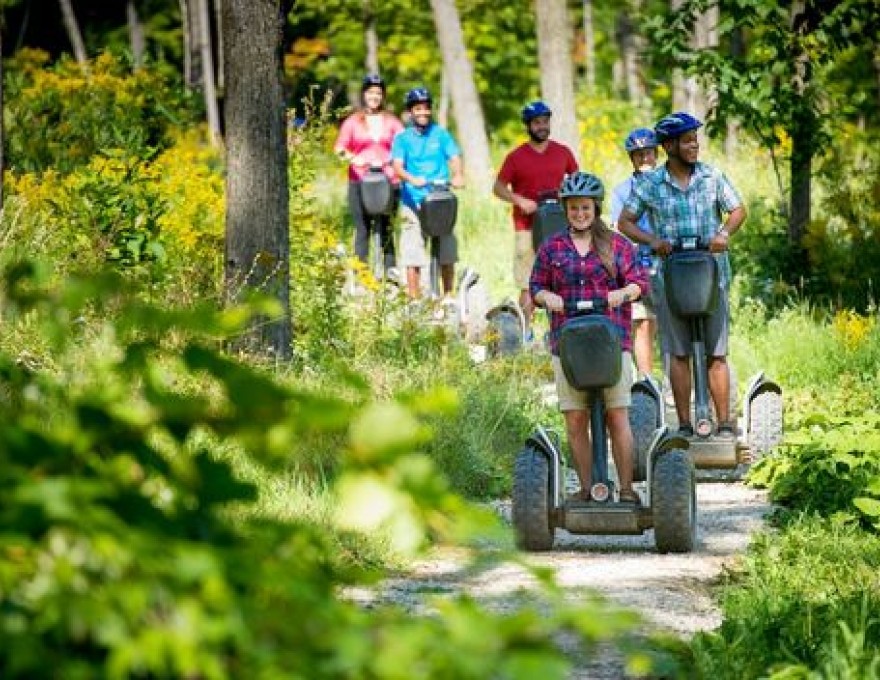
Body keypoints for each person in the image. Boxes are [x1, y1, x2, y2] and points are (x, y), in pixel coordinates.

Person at [617, 112, 747, 439]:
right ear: (670, 145)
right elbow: (625, 222)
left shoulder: (712, 177)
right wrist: (652, 241)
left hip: (712, 275)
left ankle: (725, 423)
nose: (694, 146)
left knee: (716, 351)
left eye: (695, 139)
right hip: (670, 277)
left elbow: (738, 209)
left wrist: (723, 235)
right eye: (687, 140)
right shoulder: (650, 184)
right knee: (678, 352)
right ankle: (686, 424)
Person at [530, 172, 649, 504]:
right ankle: (586, 489)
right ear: (565, 210)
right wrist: (545, 298)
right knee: (575, 416)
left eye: (585, 208)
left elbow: (641, 282)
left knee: (617, 415)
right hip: (567, 345)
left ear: (595, 208)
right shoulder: (552, 247)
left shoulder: (616, 244)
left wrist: (624, 292)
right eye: (573, 209)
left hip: (612, 342)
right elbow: (535, 286)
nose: (580, 214)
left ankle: (626, 491)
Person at [493, 101, 579, 332]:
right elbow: (498, 187)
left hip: (559, 226)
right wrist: (520, 201)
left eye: (545, 122)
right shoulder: (516, 157)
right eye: (537, 123)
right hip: (526, 228)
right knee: (528, 282)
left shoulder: (563, 152)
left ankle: (564, 330)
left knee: (563, 279)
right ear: (528, 126)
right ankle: (525, 333)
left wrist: (567, 193)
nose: (542, 127)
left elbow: (577, 180)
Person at [391, 87, 464, 300]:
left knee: (447, 248)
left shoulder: (440, 133)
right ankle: (414, 299)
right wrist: (413, 179)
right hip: (413, 200)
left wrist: (458, 174)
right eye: (418, 109)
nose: (423, 113)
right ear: (411, 111)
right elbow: (397, 167)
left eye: (426, 108)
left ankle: (448, 296)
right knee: (413, 249)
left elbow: (454, 156)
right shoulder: (403, 138)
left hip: (439, 198)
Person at [333, 74, 404, 277]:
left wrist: (394, 160)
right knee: (362, 228)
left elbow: (403, 145)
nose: (374, 96)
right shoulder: (353, 122)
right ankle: (361, 274)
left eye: (378, 93)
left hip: (388, 180)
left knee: (387, 229)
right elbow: (339, 147)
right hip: (360, 180)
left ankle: (391, 275)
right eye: (371, 92)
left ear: (383, 96)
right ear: (364, 94)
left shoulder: (392, 122)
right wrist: (353, 159)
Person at [610, 128, 660, 378]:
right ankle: (647, 380)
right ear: (631, 158)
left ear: (657, 154)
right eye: (638, 155)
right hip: (639, 263)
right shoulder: (621, 191)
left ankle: (677, 382)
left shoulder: (667, 183)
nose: (644, 159)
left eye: (648, 153)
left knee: (669, 325)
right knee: (642, 323)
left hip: (669, 262)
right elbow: (619, 230)